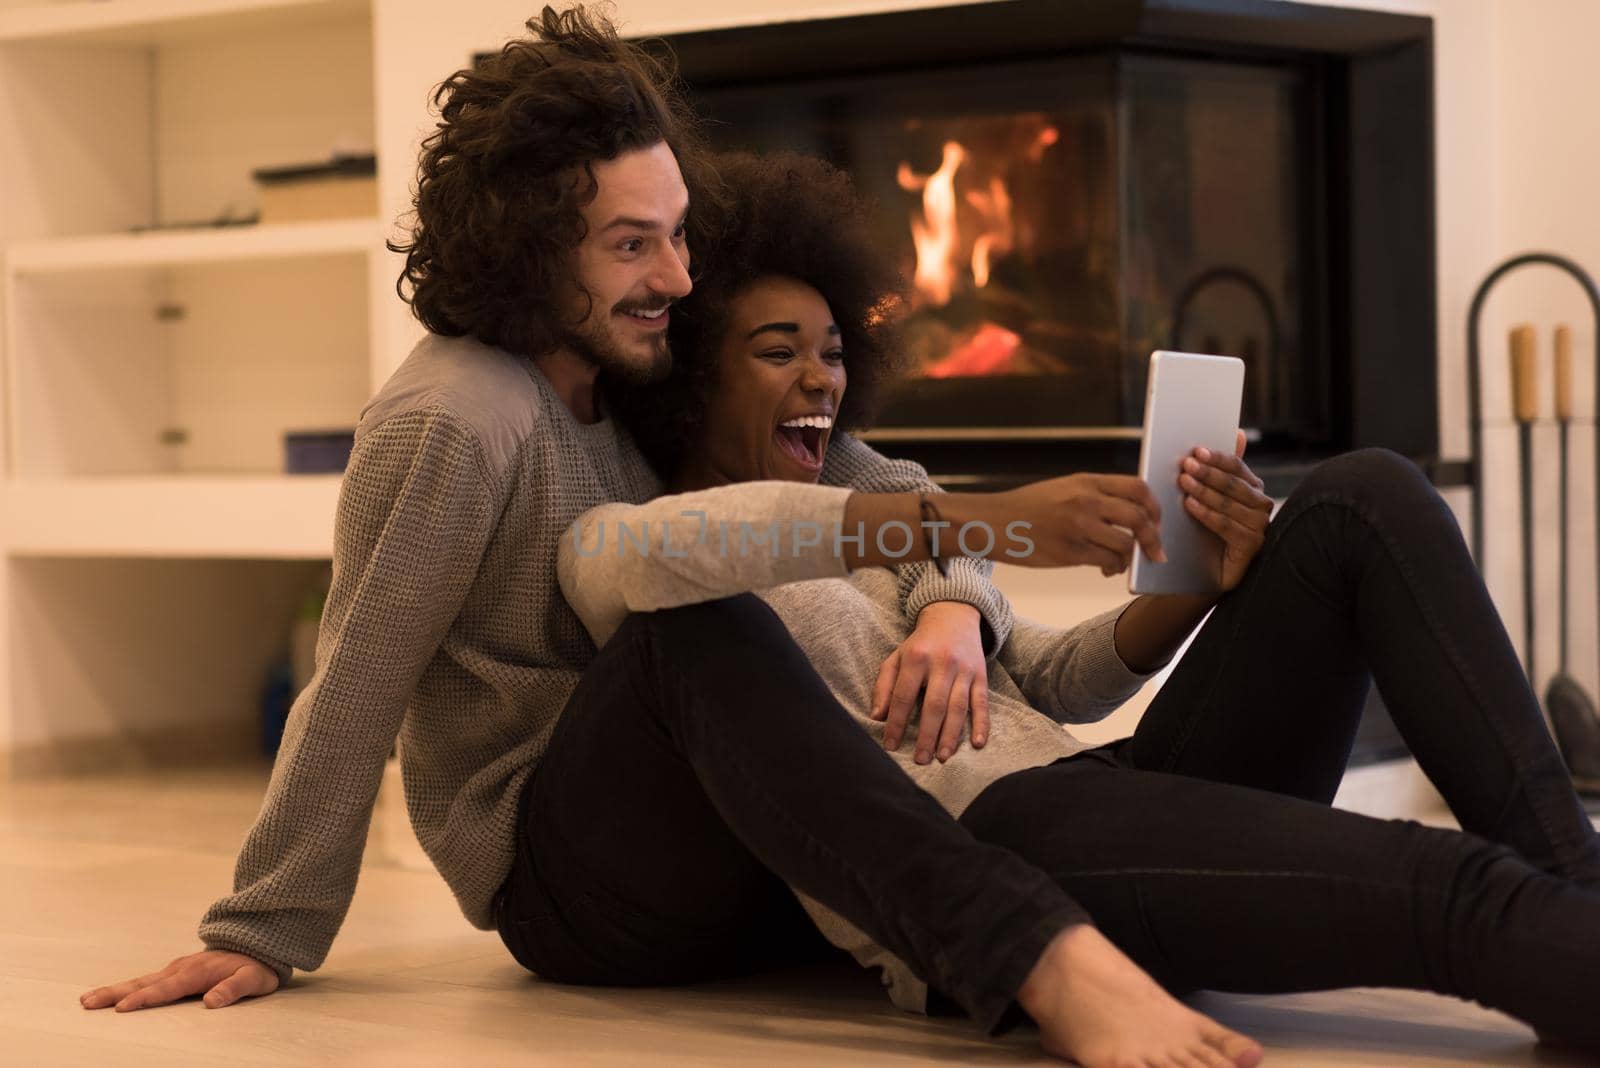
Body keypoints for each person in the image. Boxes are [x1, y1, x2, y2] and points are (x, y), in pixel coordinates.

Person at [77, 11, 1240, 1068]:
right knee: (697, 625)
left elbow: (875, 481)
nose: (680, 277)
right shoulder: (457, 419)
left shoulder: (635, 365)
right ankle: (1029, 952)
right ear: (530, 248)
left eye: (679, 236)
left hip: (711, 807)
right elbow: (356, 677)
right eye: (636, 245)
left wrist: (950, 601)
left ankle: (1068, 913)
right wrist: (265, 928)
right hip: (570, 871)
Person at [564, 150, 1600, 1064]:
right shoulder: (643, 553)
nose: (820, 380)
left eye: (833, 351)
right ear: (692, 382)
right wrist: (989, 526)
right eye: (779, 351)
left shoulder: (875, 515)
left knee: (1364, 497)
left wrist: (1191, 580)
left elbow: (1050, 684)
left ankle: (1580, 896)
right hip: (1003, 859)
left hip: (1092, 786)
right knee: (1448, 885)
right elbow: (675, 551)